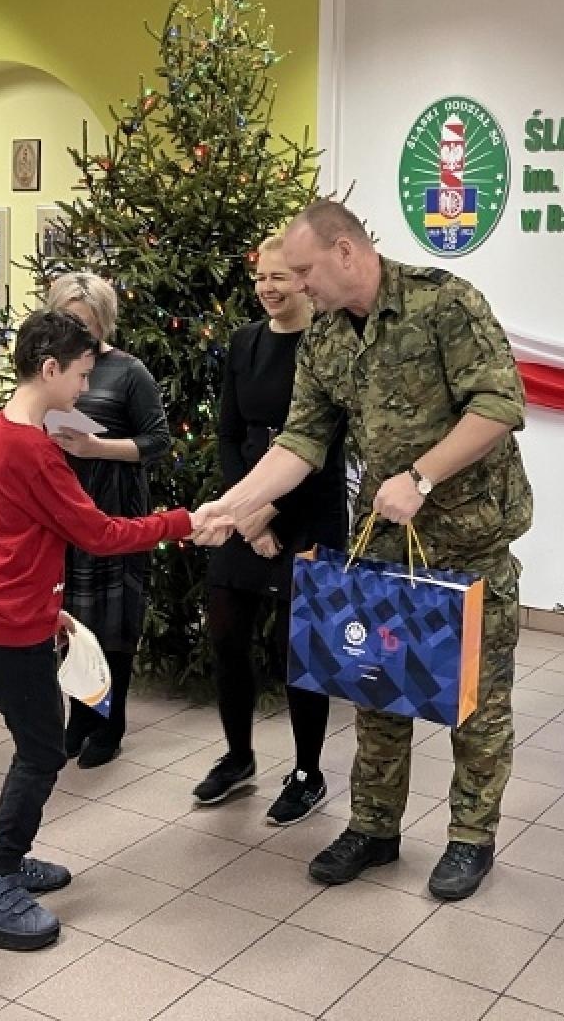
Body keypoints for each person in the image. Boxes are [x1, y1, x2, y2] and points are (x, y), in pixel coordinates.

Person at [210, 200, 532, 901]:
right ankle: (375, 827)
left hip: (469, 535)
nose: (295, 285)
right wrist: (234, 506)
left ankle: (470, 838)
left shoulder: (443, 302)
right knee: (377, 684)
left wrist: (422, 477)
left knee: (475, 698)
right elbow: (302, 440)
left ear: (346, 252)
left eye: (303, 271)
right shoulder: (325, 338)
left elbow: (502, 406)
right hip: (382, 539)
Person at [0, 309, 229, 951]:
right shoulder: (35, 451)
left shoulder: (6, 428)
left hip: (12, 615)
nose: (84, 388)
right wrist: (187, 519)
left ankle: (8, 857)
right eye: (80, 375)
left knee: (38, 741)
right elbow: (100, 533)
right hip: (7, 625)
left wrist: (50, 607)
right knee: (44, 750)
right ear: (50, 370)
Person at [194, 233, 347, 825]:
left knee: (298, 648)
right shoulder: (243, 344)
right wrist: (243, 511)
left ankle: (308, 773)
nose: (267, 287)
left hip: (310, 506)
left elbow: (325, 446)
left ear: (306, 281)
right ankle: (238, 758)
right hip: (248, 505)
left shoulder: (329, 347)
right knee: (228, 632)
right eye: (260, 277)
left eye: (280, 277)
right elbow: (231, 434)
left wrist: (267, 512)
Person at [44, 272, 171, 767]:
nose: (79, 331)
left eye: (87, 322)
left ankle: (111, 723)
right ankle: (80, 717)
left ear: (104, 321)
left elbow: (158, 442)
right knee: (70, 620)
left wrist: (97, 447)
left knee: (114, 623)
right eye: (68, 321)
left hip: (114, 506)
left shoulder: (128, 371)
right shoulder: (50, 368)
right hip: (62, 506)